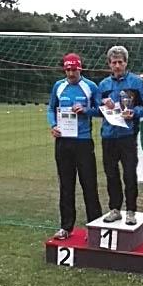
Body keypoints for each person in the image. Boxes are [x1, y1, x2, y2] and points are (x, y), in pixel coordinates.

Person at [47, 53, 102, 239]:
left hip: (83, 142)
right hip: (63, 142)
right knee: (66, 185)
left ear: (80, 69)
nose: (71, 74)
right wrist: (53, 126)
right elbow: (51, 109)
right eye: (68, 70)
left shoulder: (90, 86)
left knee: (89, 184)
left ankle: (94, 228)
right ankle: (66, 227)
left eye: (74, 70)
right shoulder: (58, 86)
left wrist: (86, 110)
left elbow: (101, 110)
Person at [97, 45, 143, 226]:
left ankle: (131, 211)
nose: (117, 66)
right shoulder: (103, 85)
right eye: (114, 62)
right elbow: (97, 109)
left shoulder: (136, 82)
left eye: (120, 62)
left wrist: (134, 113)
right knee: (111, 174)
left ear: (126, 63)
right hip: (108, 136)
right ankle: (115, 209)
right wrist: (102, 105)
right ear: (109, 64)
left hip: (128, 136)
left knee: (129, 174)